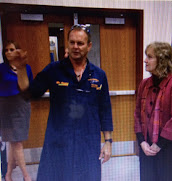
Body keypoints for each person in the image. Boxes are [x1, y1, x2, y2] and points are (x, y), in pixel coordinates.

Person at [13, 24, 113, 181]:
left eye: (80, 43)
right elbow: (29, 92)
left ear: (89, 46)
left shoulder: (99, 75)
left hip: (88, 142)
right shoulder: (54, 70)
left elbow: (105, 109)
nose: (75, 47)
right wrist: (20, 69)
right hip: (58, 142)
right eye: (72, 42)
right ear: (67, 44)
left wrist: (108, 141)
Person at [134, 42, 172, 181]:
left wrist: (158, 145)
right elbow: (137, 114)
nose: (145, 60)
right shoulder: (144, 84)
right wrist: (142, 142)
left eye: (150, 57)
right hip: (147, 144)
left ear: (162, 60)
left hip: (170, 146)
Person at [0, 40, 33, 181]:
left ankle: (8, 174)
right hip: (5, 106)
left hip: (21, 105)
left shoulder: (26, 68)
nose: (8, 52)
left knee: (16, 141)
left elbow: (29, 86)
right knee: (14, 142)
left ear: (17, 51)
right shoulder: (1, 68)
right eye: (6, 50)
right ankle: (26, 176)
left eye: (12, 49)